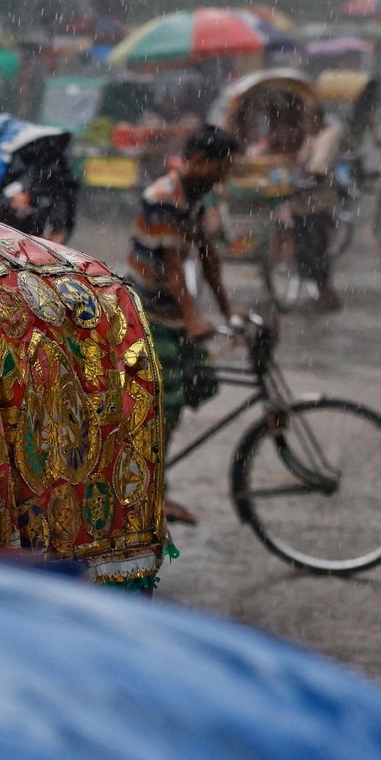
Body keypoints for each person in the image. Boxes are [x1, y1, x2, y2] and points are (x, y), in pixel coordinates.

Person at [128, 125, 240, 525]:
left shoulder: (199, 195)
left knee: (203, 380)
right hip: (151, 311)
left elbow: (207, 254)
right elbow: (173, 266)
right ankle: (150, 491)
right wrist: (193, 317)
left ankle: (148, 462)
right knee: (167, 403)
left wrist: (229, 312)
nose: (224, 174)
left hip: (176, 310)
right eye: (220, 166)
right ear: (197, 161)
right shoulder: (164, 198)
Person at [281, 105, 344, 312]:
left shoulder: (328, 137)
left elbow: (317, 170)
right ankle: (317, 292)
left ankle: (326, 295)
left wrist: (297, 181)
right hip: (302, 205)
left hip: (318, 205)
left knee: (316, 251)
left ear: (317, 119)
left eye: (307, 121)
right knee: (304, 252)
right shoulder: (312, 138)